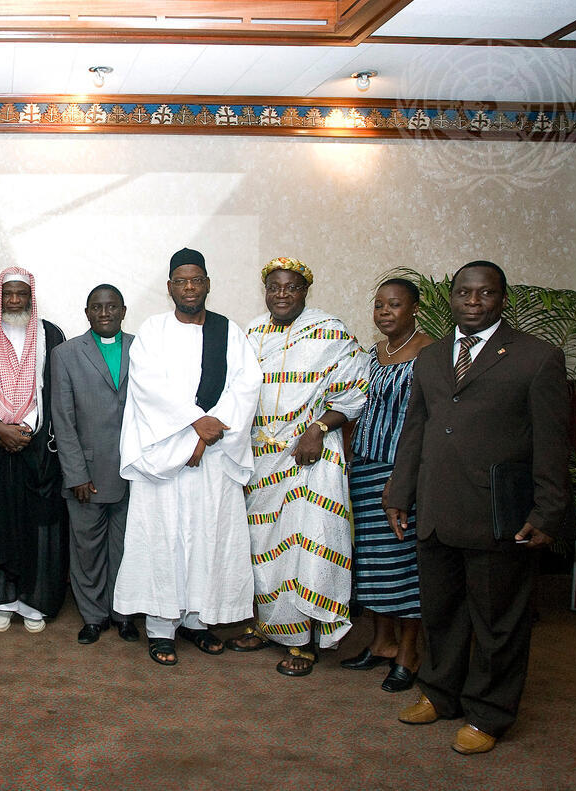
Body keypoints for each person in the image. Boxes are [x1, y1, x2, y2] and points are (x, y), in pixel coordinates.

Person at [386, 261, 574, 755]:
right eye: (464, 293)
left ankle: (489, 714)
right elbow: (416, 429)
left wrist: (547, 512)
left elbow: (553, 443)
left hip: (499, 515)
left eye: (485, 293)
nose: (473, 301)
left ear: (502, 299)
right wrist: (399, 492)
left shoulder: (537, 357)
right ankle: (440, 693)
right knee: (441, 613)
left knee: (498, 623)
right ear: (451, 298)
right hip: (436, 509)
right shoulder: (430, 357)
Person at [113, 249, 262, 665]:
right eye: (181, 281)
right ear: (170, 287)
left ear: (208, 284)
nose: (190, 288)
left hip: (213, 458)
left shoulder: (228, 332)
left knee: (208, 537)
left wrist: (203, 438)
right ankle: (161, 628)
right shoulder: (153, 331)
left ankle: (198, 621)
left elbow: (246, 386)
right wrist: (194, 428)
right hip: (164, 460)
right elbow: (149, 389)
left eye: (197, 280)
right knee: (163, 539)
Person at [230, 257, 369, 677]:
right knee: (263, 546)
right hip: (262, 459)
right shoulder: (253, 333)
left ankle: (303, 641)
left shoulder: (330, 331)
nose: (281, 294)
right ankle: (269, 625)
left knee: (306, 544)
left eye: (291, 287)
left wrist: (318, 428)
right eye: (274, 287)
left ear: (305, 290)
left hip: (311, 455)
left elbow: (355, 390)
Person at [0, 268, 68, 633]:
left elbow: (55, 388)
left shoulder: (50, 334)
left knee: (36, 522)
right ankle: (1, 601)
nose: (14, 300)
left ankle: (33, 601)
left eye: (21, 293)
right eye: (8, 293)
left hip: (36, 445)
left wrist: (29, 426)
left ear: (30, 297)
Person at [339, 278, 431, 693]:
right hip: (364, 466)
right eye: (379, 305)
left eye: (394, 304)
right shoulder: (370, 355)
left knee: (403, 563)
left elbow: (429, 418)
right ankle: (382, 643)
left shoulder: (430, 353)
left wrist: (404, 477)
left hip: (403, 469)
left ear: (414, 308)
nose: (385, 312)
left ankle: (409, 653)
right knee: (373, 561)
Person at [51, 284, 139, 645]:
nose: (105, 313)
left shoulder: (142, 347)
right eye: (97, 308)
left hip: (134, 471)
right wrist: (75, 474)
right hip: (86, 474)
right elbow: (63, 419)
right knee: (86, 550)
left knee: (126, 548)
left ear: (123, 311)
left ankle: (123, 614)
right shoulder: (65, 353)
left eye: (112, 307)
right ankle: (92, 616)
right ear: (87, 312)